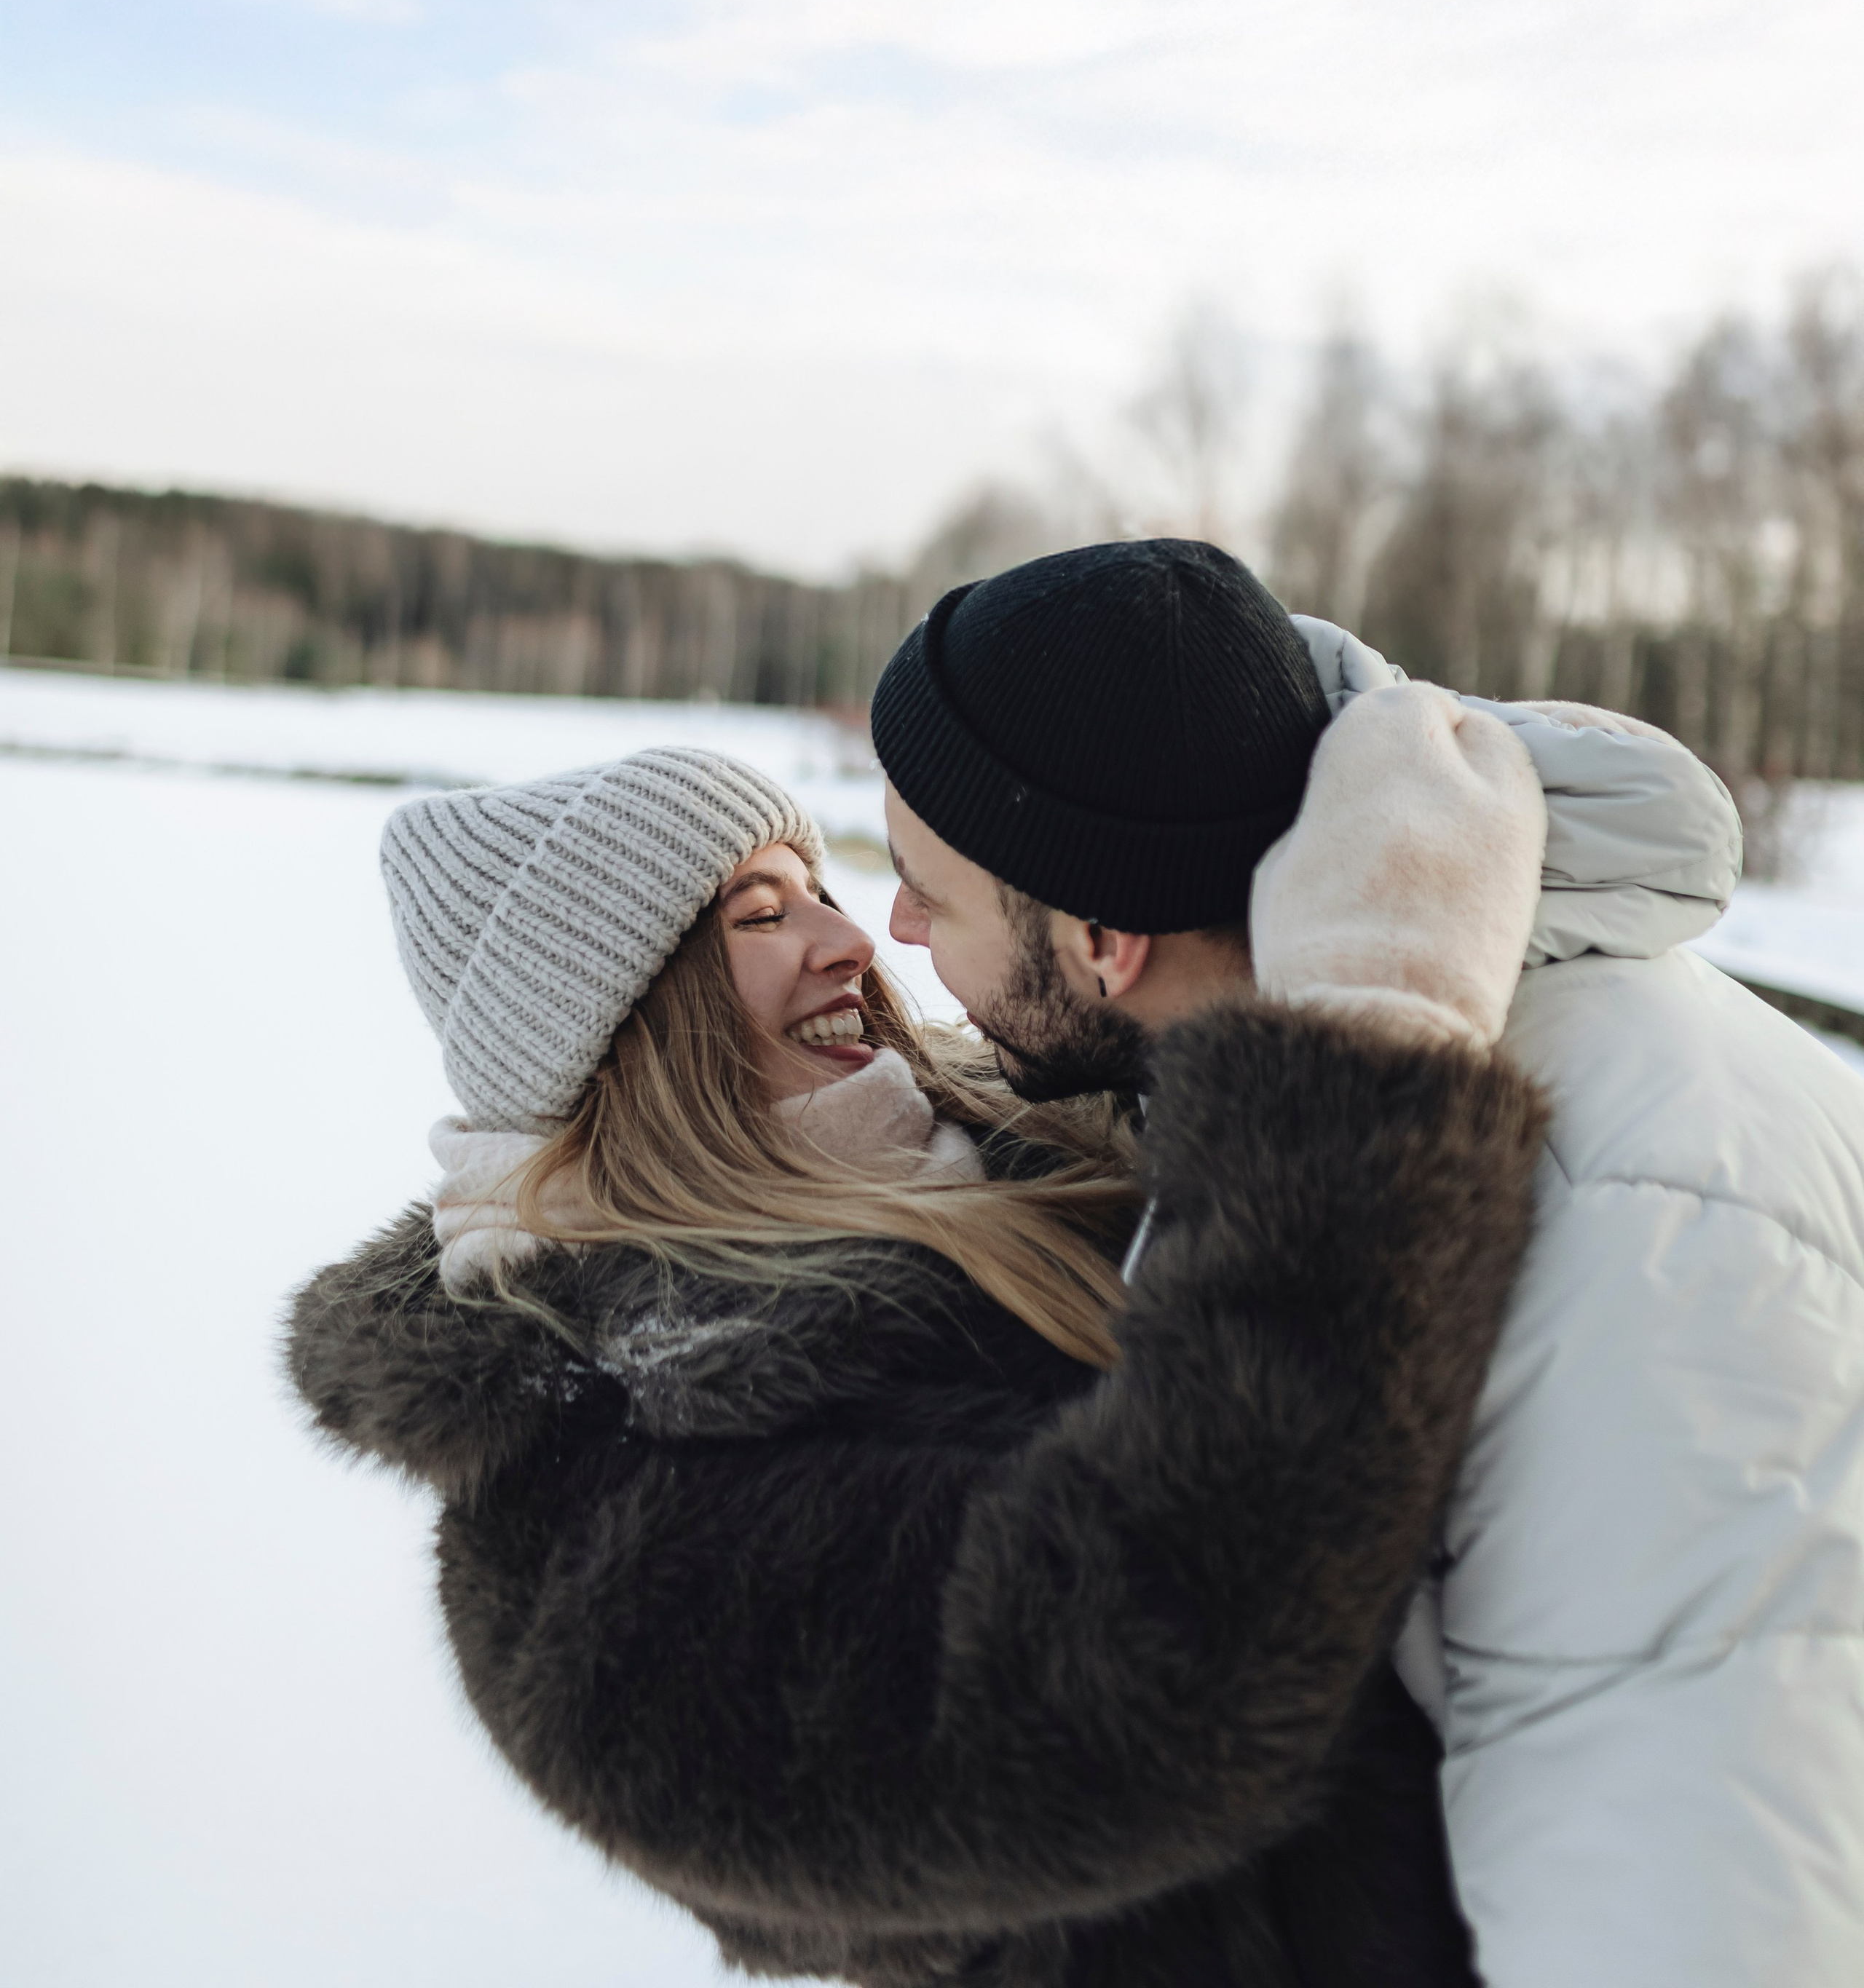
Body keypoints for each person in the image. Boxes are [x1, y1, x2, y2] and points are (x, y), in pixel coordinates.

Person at [288, 738, 1548, 1987]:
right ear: (625, 1021)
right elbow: (1128, 1695)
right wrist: (1379, 1061)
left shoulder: (1010, 1135)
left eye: (823, 891)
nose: (852, 943)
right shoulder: (579, 1551)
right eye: (760, 915)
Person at [872, 537, 1864, 1988]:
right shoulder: (1420, 1019)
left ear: (1101, 939)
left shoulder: (1606, 1218)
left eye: (925, 891)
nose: (893, 929)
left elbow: (1689, 1879)